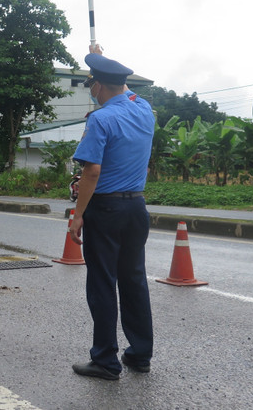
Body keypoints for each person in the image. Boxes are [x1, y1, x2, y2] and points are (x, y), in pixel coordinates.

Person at [68, 45, 155, 380]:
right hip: (136, 207)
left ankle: (105, 360)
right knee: (134, 281)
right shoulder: (144, 110)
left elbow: (91, 172)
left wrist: (78, 215)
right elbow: (125, 89)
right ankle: (140, 354)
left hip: (106, 209)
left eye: (93, 85)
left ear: (98, 87)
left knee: (103, 283)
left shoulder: (101, 119)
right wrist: (101, 56)